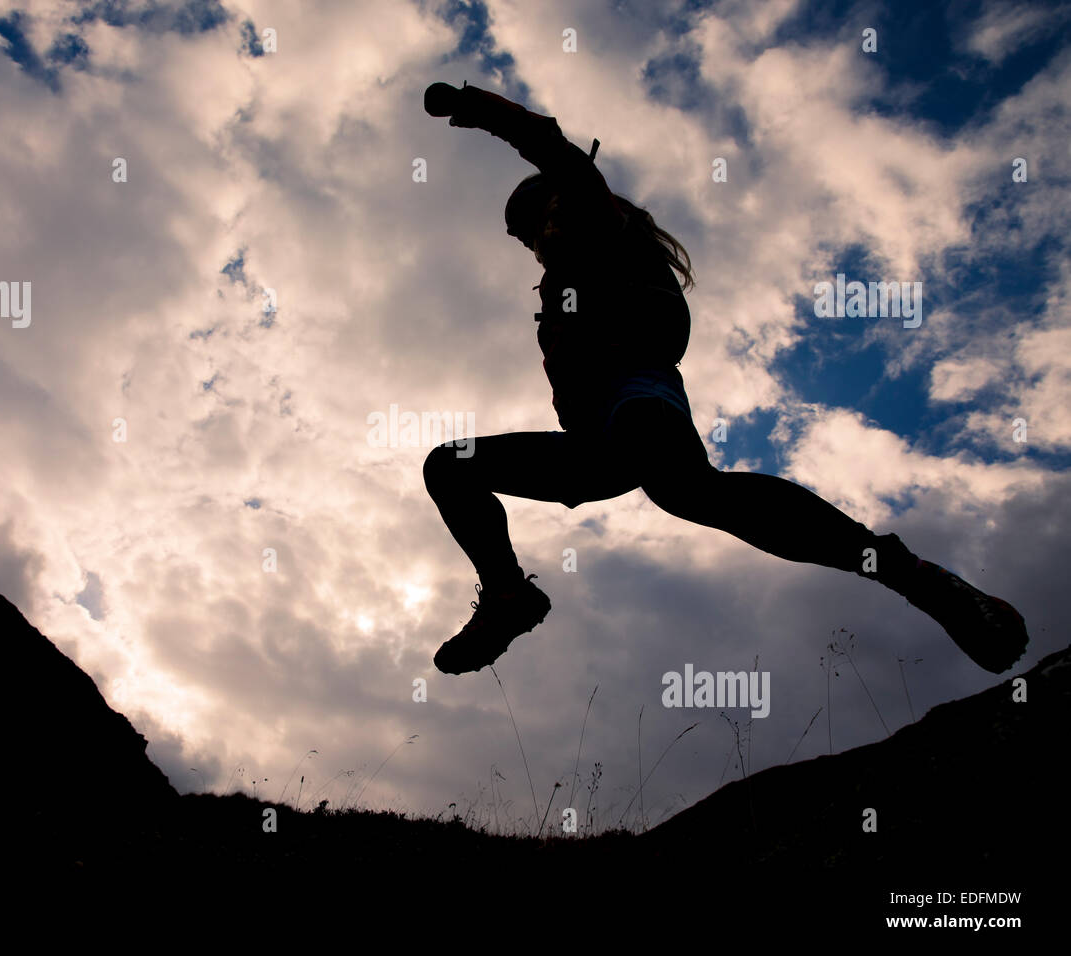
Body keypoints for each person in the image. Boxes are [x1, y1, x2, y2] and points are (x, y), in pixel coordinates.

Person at [420, 81, 1029, 677]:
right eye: (524, 237)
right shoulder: (563, 282)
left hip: (638, 399)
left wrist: (476, 108)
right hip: (590, 442)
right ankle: (508, 599)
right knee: (451, 465)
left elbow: (552, 146)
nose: (533, 240)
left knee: (686, 492)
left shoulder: (598, 223)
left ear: (559, 199)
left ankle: (908, 574)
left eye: (531, 220)